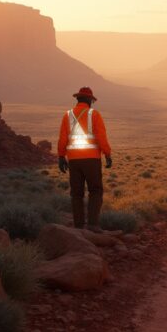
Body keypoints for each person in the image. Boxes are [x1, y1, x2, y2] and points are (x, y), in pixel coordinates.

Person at [57, 87, 112, 233]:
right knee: (95, 191)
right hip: (91, 159)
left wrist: (61, 156)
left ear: (78, 99)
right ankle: (93, 225)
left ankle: (79, 226)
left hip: (74, 160)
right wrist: (107, 154)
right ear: (89, 100)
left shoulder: (67, 115)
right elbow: (101, 137)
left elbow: (62, 139)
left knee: (76, 193)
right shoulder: (94, 114)